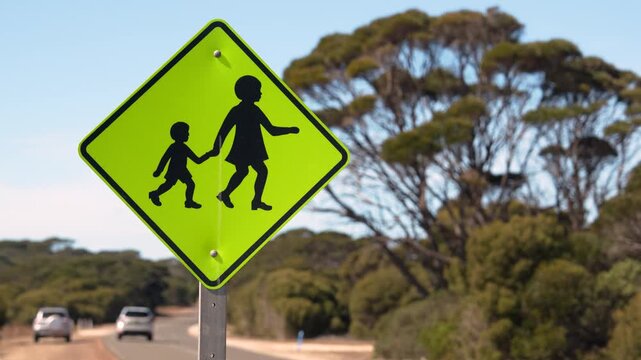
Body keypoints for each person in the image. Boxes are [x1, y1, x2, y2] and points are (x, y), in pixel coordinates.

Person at [209, 75, 299, 211]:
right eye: (258, 90)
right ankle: (235, 196)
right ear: (249, 92)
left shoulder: (253, 110)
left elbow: (271, 130)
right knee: (252, 171)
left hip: (252, 148)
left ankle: (239, 197)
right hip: (244, 148)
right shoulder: (239, 110)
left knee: (250, 171)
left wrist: (290, 130)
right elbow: (224, 130)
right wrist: (216, 148)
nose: (260, 93)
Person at [149, 121, 210, 209]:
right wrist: (159, 171)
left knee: (190, 184)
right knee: (168, 185)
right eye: (186, 132)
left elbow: (197, 160)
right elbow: (164, 159)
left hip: (182, 170)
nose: (188, 134)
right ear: (180, 134)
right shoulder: (173, 147)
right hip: (174, 170)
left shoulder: (184, 147)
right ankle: (154, 194)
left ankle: (189, 201)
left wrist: (208, 155)